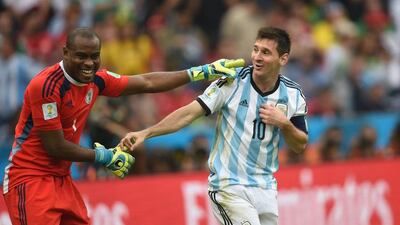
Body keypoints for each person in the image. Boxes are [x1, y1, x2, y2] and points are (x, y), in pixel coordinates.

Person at [2, 27, 244, 225]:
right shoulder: (46, 86)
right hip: (29, 179)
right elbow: (54, 146)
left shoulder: (96, 79)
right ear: (65, 53)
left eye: (94, 56)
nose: (89, 63)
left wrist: (199, 72)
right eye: (81, 56)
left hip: (61, 180)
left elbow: (147, 81)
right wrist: (104, 156)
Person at [120, 27, 308, 225]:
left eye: (266, 52)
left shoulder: (293, 95)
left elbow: (299, 145)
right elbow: (188, 113)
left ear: (283, 59)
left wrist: (284, 124)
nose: (257, 57)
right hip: (228, 186)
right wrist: (146, 133)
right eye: (256, 50)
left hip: (266, 188)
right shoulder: (232, 81)